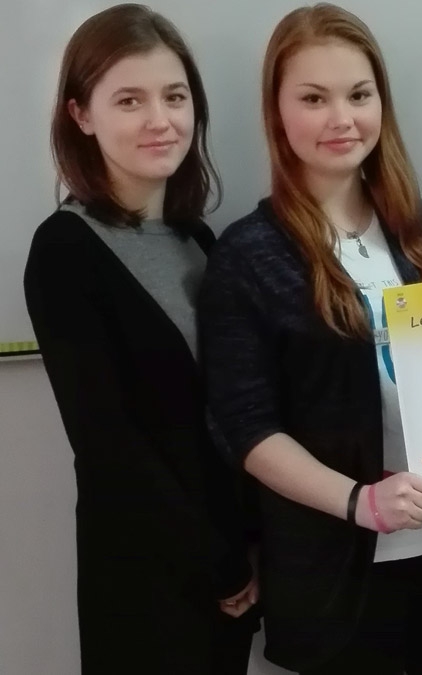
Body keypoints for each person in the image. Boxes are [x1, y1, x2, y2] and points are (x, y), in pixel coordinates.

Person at [199, 4, 422, 673]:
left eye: (359, 95)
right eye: (314, 98)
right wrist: (359, 501)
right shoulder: (246, 257)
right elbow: (247, 429)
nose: (342, 118)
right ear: (277, 112)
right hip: (338, 586)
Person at [23, 5, 258, 674]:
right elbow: (110, 447)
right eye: (130, 100)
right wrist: (218, 563)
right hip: (148, 578)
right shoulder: (65, 250)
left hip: (232, 566)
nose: (161, 119)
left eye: (175, 96)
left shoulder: (198, 240)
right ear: (81, 115)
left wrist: (248, 548)